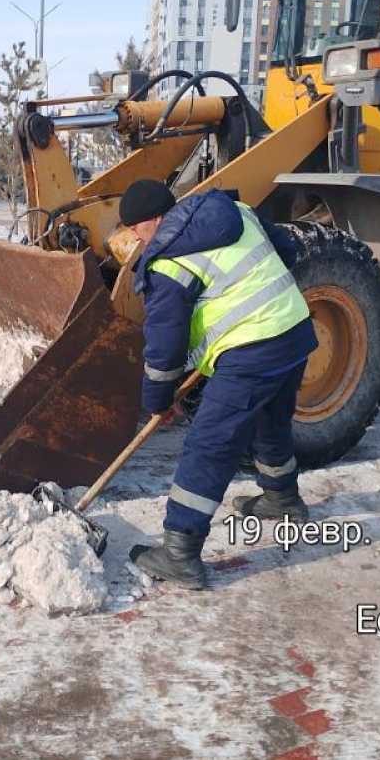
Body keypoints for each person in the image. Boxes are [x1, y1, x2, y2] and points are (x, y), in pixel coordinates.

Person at [120, 179, 318, 590]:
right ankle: (282, 499)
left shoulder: (169, 264)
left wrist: (158, 400)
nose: (136, 239)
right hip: (294, 329)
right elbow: (288, 249)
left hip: (251, 349)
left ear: (154, 221)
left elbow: (165, 344)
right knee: (271, 419)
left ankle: (179, 553)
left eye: (135, 229)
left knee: (211, 445)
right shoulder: (236, 212)